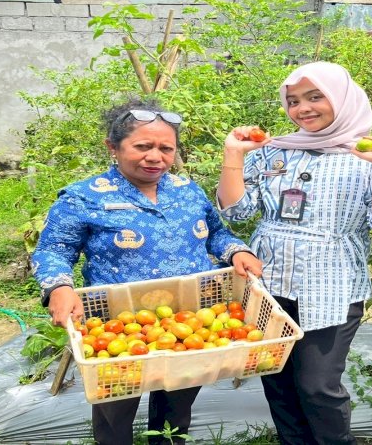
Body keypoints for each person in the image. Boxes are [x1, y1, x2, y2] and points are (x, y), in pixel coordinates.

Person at [32, 98, 262, 445]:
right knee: (115, 409)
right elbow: (53, 249)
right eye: (142, 146)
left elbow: (216, 233)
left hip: (191, 319)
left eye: (165, 148)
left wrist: (237, 250)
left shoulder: (186, 190)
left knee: (177, 406)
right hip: (116, 323)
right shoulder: (84, 197)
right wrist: (59, 287)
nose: (156, 157)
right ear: (113, 147)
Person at [216, 61, 372, 444]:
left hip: (332, 283)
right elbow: (238, 211)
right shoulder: (275, 153)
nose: (302, 108)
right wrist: (234, 155)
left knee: (318, 385)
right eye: (293, 101)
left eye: (314, 96)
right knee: (277, 379)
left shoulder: (368, 156)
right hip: (269, 280)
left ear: (341, 98)